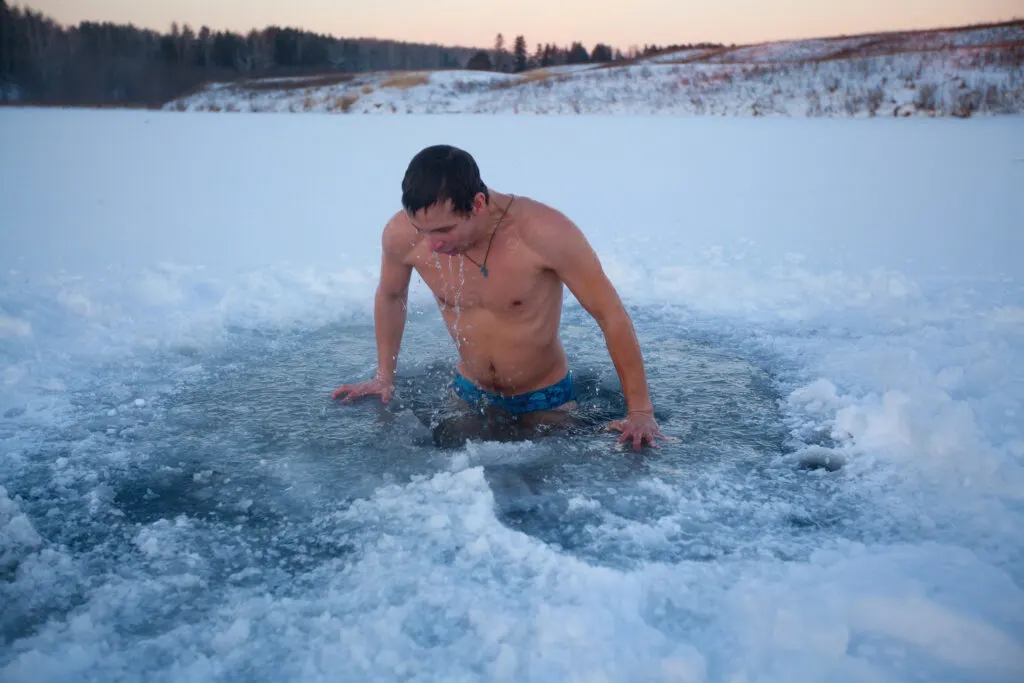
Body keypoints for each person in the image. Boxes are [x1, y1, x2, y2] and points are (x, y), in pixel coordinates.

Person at [332, 144, 664, 451]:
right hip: (467, 394)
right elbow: (391, 296)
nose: (431, 245)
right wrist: (383, 376)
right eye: (422, 230)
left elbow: (610, 313)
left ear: (477, 204)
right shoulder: (401, 235)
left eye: (444, 230)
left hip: (545, 400)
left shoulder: (544, 233)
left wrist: (639, 411)